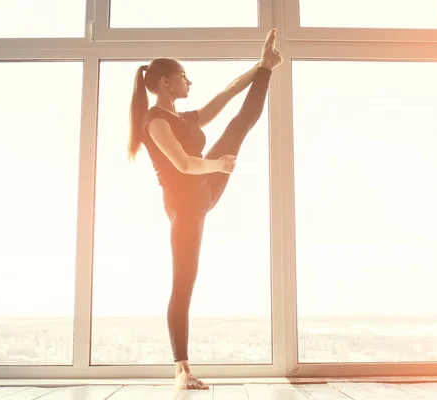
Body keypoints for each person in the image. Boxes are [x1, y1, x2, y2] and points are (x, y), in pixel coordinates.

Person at [127, 28, 283, 390]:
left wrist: (262, 67)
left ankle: (269, 70)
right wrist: (219, 165)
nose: (189, 81)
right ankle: (181, 369)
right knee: (184, 283)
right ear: (166, 82)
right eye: (184, 76)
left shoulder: (183, 118)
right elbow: (182, 164)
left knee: (239, 123)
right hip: (185, 206)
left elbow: (227, 93)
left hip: (203, 188)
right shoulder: (155, 121)